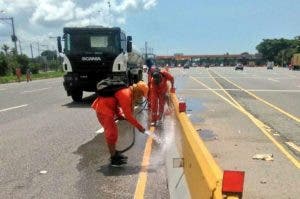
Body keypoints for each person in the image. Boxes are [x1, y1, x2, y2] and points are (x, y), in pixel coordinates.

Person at [91, 81, 149, 167]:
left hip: (107, 109)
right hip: (104, 110)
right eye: (140, 95)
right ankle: (113, 158)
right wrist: (139, 127)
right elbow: (128, 115)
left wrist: (119, 115)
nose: (140, 97)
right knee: (111, 133)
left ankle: (114, 153)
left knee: (113, 133)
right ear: (138, 91)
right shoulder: (126, 94)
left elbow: (115, 102)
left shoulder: (127, 92)